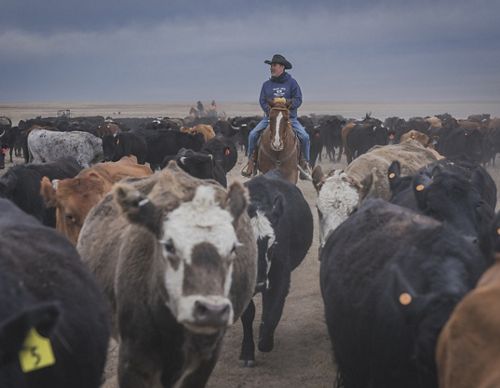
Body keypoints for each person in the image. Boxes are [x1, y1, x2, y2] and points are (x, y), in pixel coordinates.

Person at [241, 54, 311, 178]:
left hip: (289, 118)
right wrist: (270, 111)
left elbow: (298, 99)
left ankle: (305, 163)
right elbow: (262, 100)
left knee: (305, 137)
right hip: (269, 118)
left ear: (282, 67)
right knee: (252, 135)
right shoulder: (266, 85)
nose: (271, 68)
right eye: (271, 66)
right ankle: (251, 162)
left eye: (274, 65)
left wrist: (287, 107)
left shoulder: (292, 83)